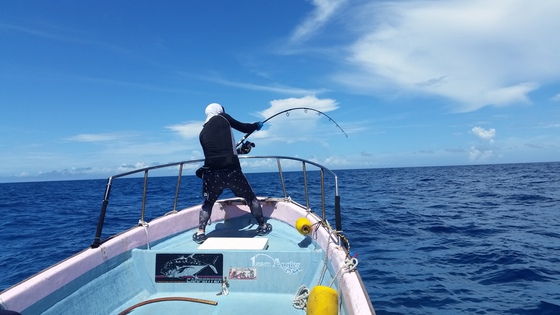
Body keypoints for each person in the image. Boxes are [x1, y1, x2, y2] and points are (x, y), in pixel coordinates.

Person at [193, 103, 272, 244]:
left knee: (208, 203)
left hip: (212, 175)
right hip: (232, 172)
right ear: (219, 111)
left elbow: (219, 153)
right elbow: (244, 128)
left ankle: (200, 232)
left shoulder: (202, 132)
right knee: (251, 198)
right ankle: (262, 226)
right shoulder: (222, 117)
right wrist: (255, 125)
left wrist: (241, 150)